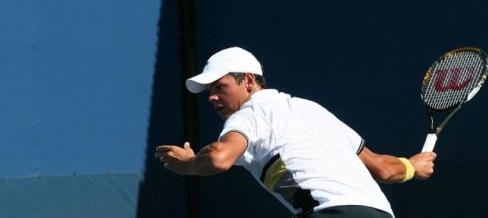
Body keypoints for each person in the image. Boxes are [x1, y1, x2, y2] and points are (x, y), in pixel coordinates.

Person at [155, 47, 437, 218]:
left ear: (249, 81)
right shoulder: (311, 109)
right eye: (209, 91)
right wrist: (411, 167)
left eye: (219, 87)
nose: (212, 98)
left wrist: (189, 164)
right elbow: (384, 169)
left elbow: (219, 158)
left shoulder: (249, 114)